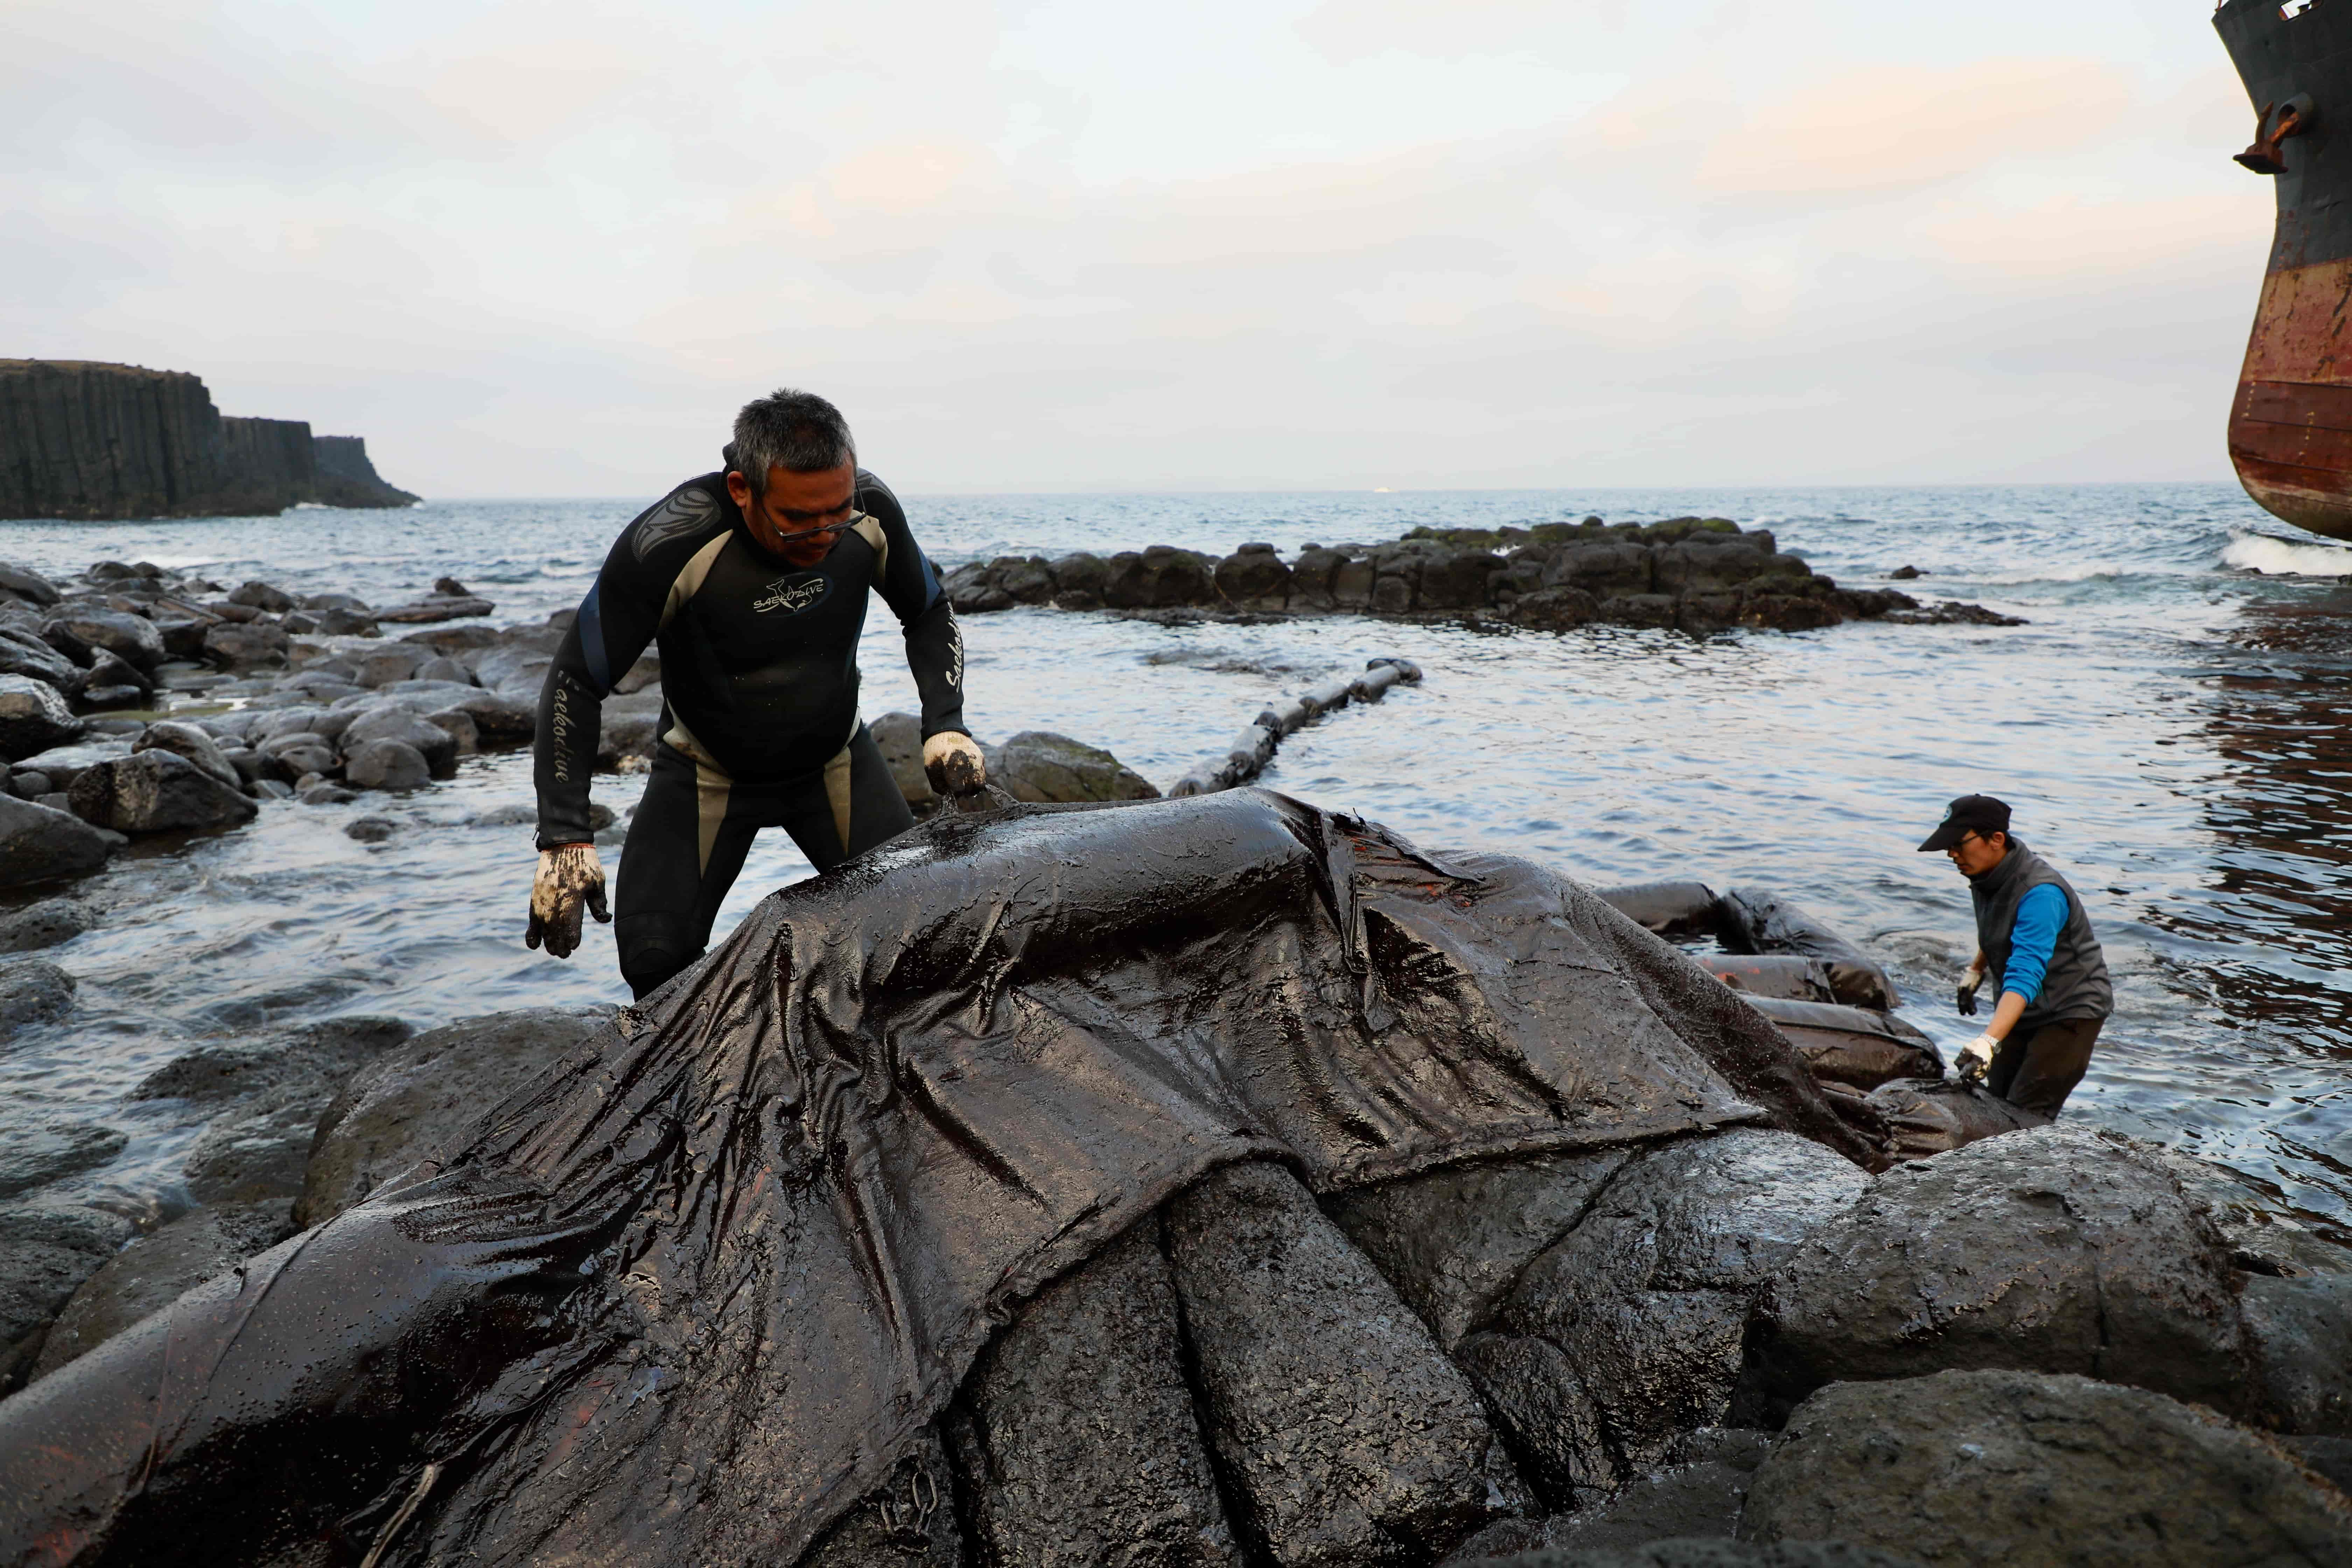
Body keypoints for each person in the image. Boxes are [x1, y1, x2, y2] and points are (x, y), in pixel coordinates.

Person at [523, 388, 985, 997]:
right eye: (797, 520)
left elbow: (928, 611)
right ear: (742, 489)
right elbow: (577, 678)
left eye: (838, 511)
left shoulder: (870, 512)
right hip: (705, 770)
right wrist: (565, 837)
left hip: (834, 761)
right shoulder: (673, 541)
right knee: (654, 960)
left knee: (922, 943)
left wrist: (945, 724)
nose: (824, 533)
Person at [1917, 793, 2113, 1116]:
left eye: (1959, 844)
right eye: (1948, 845)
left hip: (2069, 1012)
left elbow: (2026, 970)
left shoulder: (2041, 894)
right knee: (1994, 1104)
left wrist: (1988, 1041)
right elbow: (2002, 928)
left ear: (1996, 840)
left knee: (2025, 1117)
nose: (1952, 854)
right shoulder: (1986, 874)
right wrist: (1976, 970)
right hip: (2024, 1009)